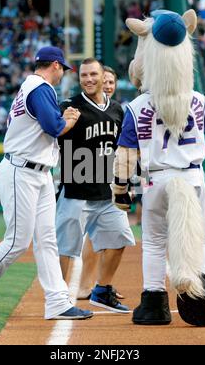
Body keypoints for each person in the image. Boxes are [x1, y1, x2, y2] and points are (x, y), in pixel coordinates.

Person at [0, 46, 93, 321]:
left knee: (47, 240)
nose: (62, 74)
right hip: (22, 171)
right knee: (18, 240)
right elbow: (54, 128)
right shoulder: (39, 86)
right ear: (54, 65)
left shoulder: (31, 87)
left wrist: (63, 119)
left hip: (38, 172)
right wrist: (69, 119)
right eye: (62, 68)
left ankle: (57, 302)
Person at [112, 10, 205, 327]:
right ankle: (195, 286)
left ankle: (154, 303)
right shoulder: (199, 100)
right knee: (203, 238)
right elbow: (203, 133)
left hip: (156, 181)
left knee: (155, 242)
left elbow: (126, 154)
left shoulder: (137, 105)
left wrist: (121, 189)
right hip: (192, 175)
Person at [56, 58, 135, 313]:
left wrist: (125, 183)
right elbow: (50, 134)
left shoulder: (117, 110)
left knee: (120, 239)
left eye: (93, 75)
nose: (88, 79)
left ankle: (102, 291)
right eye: (84, 75)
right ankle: (57, 298)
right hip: (76, 191)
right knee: (65, 249)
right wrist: (62, 124)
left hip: (106, 192)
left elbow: (123, 149)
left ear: (104, 78)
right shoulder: (69, 106)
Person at [77, 66, 125, 300]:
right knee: (92, 235)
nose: (107, 86)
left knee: (114, 236)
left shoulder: (117, 111)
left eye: (111, 82)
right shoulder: (84, 108)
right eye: (104, 81)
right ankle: (85, 284)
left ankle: (103, 284)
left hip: (112, 179)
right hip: (87, 178)